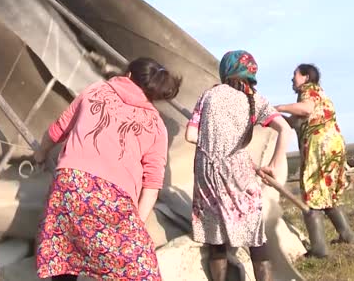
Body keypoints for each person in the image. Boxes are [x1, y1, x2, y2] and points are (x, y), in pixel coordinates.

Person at [33, 57, 182, 281]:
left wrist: (40, 154)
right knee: (142, 272)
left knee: (65, 256)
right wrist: (135, 228)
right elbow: (152, 185)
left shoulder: (96, 90)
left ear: (129, 75)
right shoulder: (156, 124)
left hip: (69, 186)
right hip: (113, 198)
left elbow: (57, 130)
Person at [184, 50, 293, 281]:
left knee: (215, 234)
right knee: (254, 232)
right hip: (240, 171)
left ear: (226, 70)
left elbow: (191, 136)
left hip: (208, 171)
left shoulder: (209, 95)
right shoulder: (256, 100)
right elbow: (285, 128)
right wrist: (274, 161)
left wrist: (215, 144)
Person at [275, 63, 354, 258]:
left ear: (305, 77)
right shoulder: (319, 93)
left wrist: (277, 107)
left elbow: (305, 109)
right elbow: (294, 122)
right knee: (325, 192)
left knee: (311, 193)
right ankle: (347, 234)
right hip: (333, 146)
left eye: (295, 75)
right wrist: (272, 119)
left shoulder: (309, 91)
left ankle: (319, 249)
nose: (292, 79)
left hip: (320, 148)